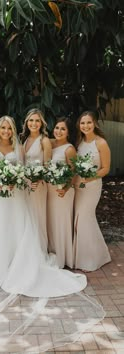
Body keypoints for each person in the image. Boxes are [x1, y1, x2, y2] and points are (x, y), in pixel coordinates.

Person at [0, 116, 86, 296]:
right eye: (3, 128)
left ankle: (14, 263)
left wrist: (18, 180)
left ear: (13, 130)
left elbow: (22, 168)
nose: (6, 131)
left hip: (14, 194)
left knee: (13, 227)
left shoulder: (17, 147)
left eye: (9, 128)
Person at [73, 111, 111, 271]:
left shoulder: (101, 143)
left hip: (92, 185)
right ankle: (96, 253)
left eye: (89, 122)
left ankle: (90, 259)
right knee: (78, 218)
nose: (86, 126)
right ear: (79, 125)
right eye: (82, 123)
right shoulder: (79, 142)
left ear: (94, 123)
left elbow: (106, 168)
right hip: (78, 186)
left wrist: (90, 177)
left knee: (84, 218)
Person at [20, 108, 52, 251]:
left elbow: (48, 166)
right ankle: (27, 251)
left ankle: (39, 251)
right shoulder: (23, 139)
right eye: (31, 120)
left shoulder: (44, 141)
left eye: (37, 120)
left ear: (42, 123)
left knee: (37, 217)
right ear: (27, 123)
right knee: (25, 218)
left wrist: (38, 179)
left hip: (37, 185)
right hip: (24, 185)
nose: (34, 123)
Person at [47, 117, 76, 268]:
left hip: (62, 191)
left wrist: (65, 189)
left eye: (63, 129)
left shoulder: (69, 149)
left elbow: (73, 173)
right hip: (49, 191)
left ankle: (63, 258)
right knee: (51, 222)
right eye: (57, 128)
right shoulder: (50, 143)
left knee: (61, 222)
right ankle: (52, 253)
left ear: (68, 132)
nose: (59, 131)